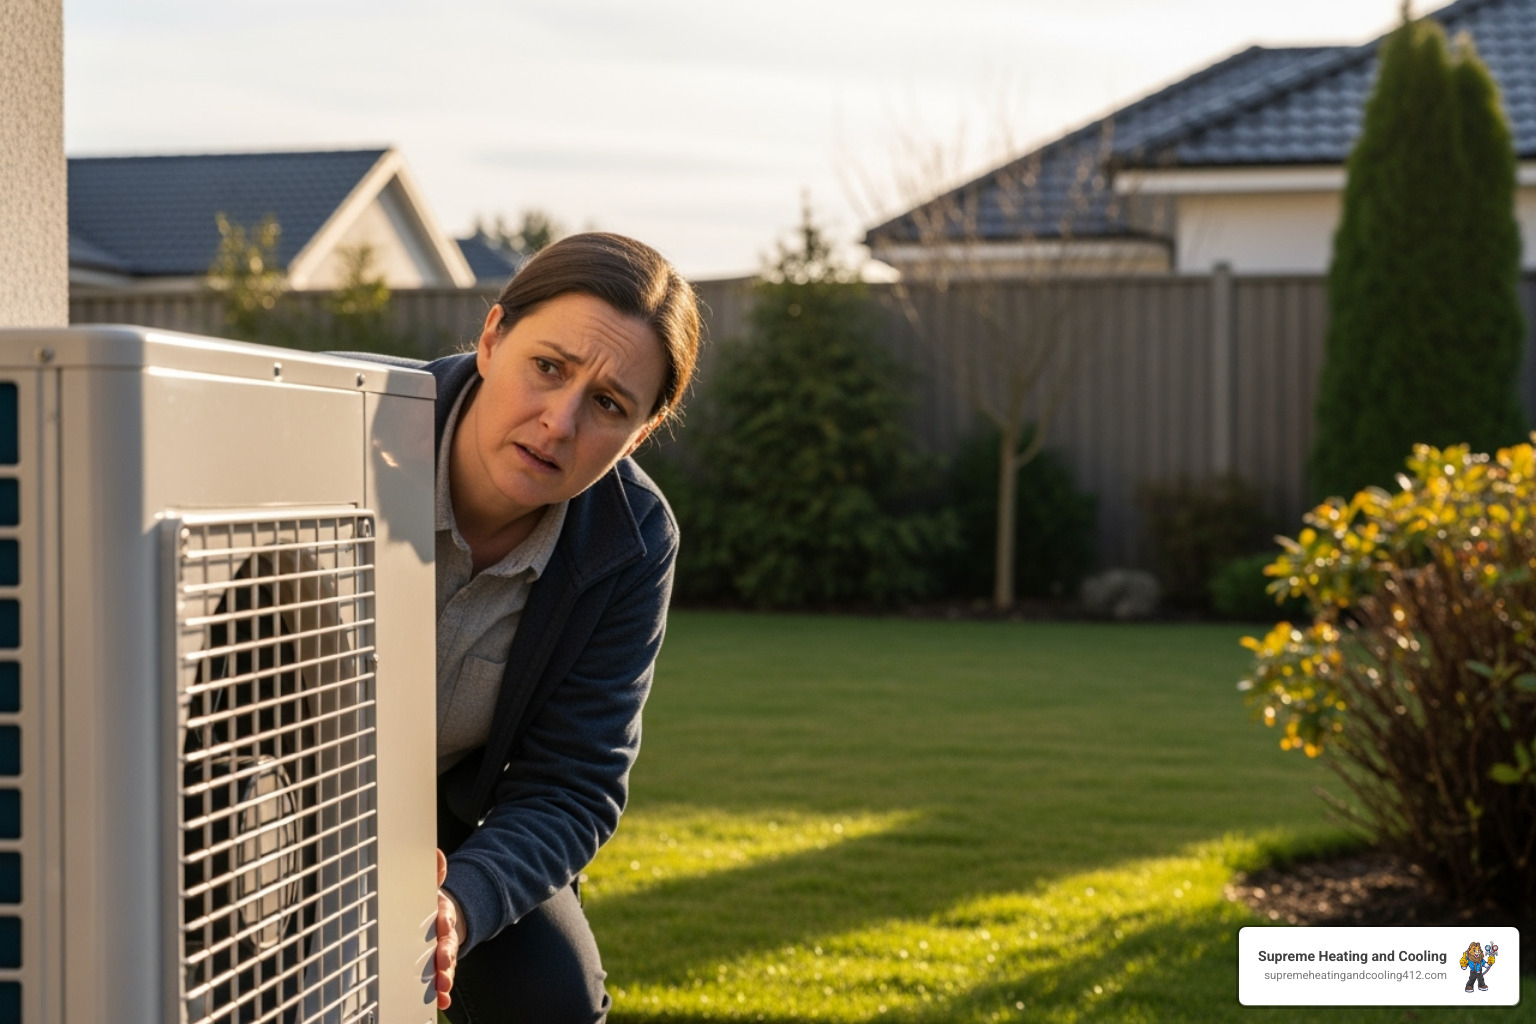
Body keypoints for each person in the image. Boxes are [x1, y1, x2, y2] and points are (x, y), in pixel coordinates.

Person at [405, 232, 700, 1023]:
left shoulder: (632, 541)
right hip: (274, 790)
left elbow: (572, 785)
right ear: (493, 339)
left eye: (608, 405)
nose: (560, 422)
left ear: (641, 432)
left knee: (554, 997)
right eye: (549, 367)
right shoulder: (342, 433)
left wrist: (455, 907)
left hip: (455, 832)